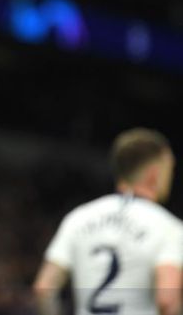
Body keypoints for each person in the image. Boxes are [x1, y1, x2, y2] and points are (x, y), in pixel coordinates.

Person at [33, 127, 183, 315]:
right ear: (154, 173)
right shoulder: (168, 228)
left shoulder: (79, 217)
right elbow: (167, 300)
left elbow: (44, 287)